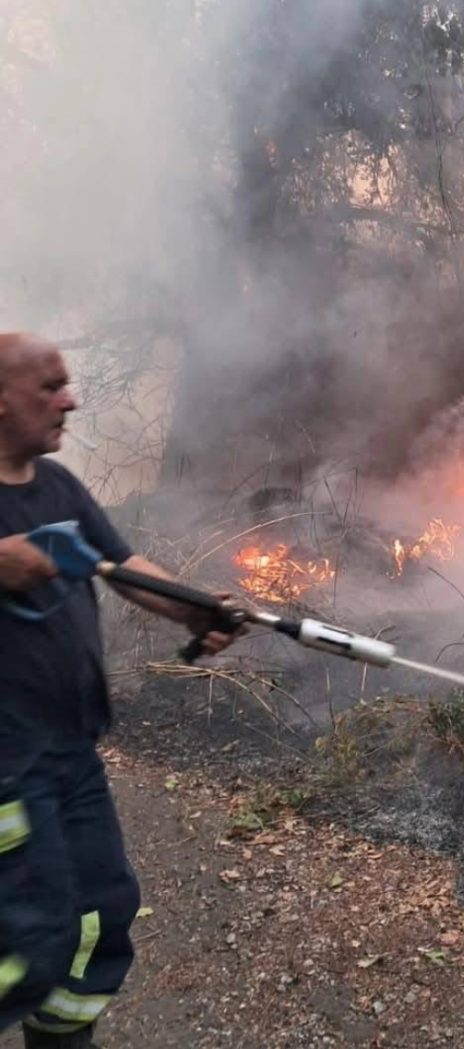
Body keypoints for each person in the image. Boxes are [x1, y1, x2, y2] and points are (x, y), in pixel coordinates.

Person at [0, 333, 240, 1048]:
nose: (70, 400)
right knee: (30, 939)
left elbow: (123, 566)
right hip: (6, 766)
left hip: (71, 754)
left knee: (99, 918)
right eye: (50, 386)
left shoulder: (59, 488)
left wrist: (196, 608)